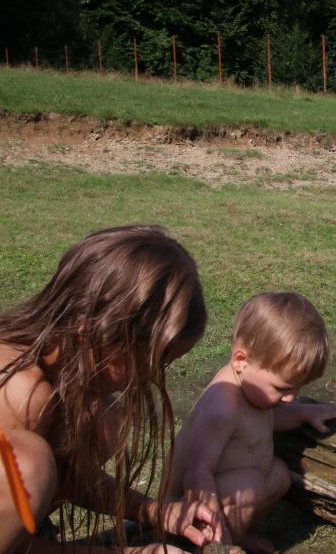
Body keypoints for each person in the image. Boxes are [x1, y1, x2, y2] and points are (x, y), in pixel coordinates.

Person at [0, 224, 218, 553]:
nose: (153, 378)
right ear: (100, 329)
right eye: (154, 362)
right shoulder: (20, 393)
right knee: (31, 463)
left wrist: (155, 511)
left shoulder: (60, 378)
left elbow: (70, 477)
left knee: (100, 422)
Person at [169, 292, 336, 553]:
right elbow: (197, 471)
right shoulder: (222, 407)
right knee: (251, 483)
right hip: (190, 501)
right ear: (241, 360)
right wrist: (204, 519)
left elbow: (265, 418)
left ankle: (236, 534)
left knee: (279, 475)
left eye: (298, 389)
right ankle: (215, 545)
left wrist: (305, 413)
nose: (290, 398)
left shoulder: (254, 389)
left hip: (230, 489)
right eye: (281, 388)